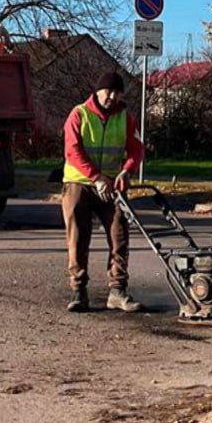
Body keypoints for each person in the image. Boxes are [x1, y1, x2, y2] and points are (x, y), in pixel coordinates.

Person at [60, 71, 145, 314]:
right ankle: (79, 290)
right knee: (78, 236)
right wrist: (96, 177)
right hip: (80, 182)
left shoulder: (125, 118)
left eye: (117, 93)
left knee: (119, 233)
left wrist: (127, 170)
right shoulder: (79, 114)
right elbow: (72, 151)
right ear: (97, 91)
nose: (112, 97)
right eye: (108, 91)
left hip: (112, 184)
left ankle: (118, 290)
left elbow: (136, 148)